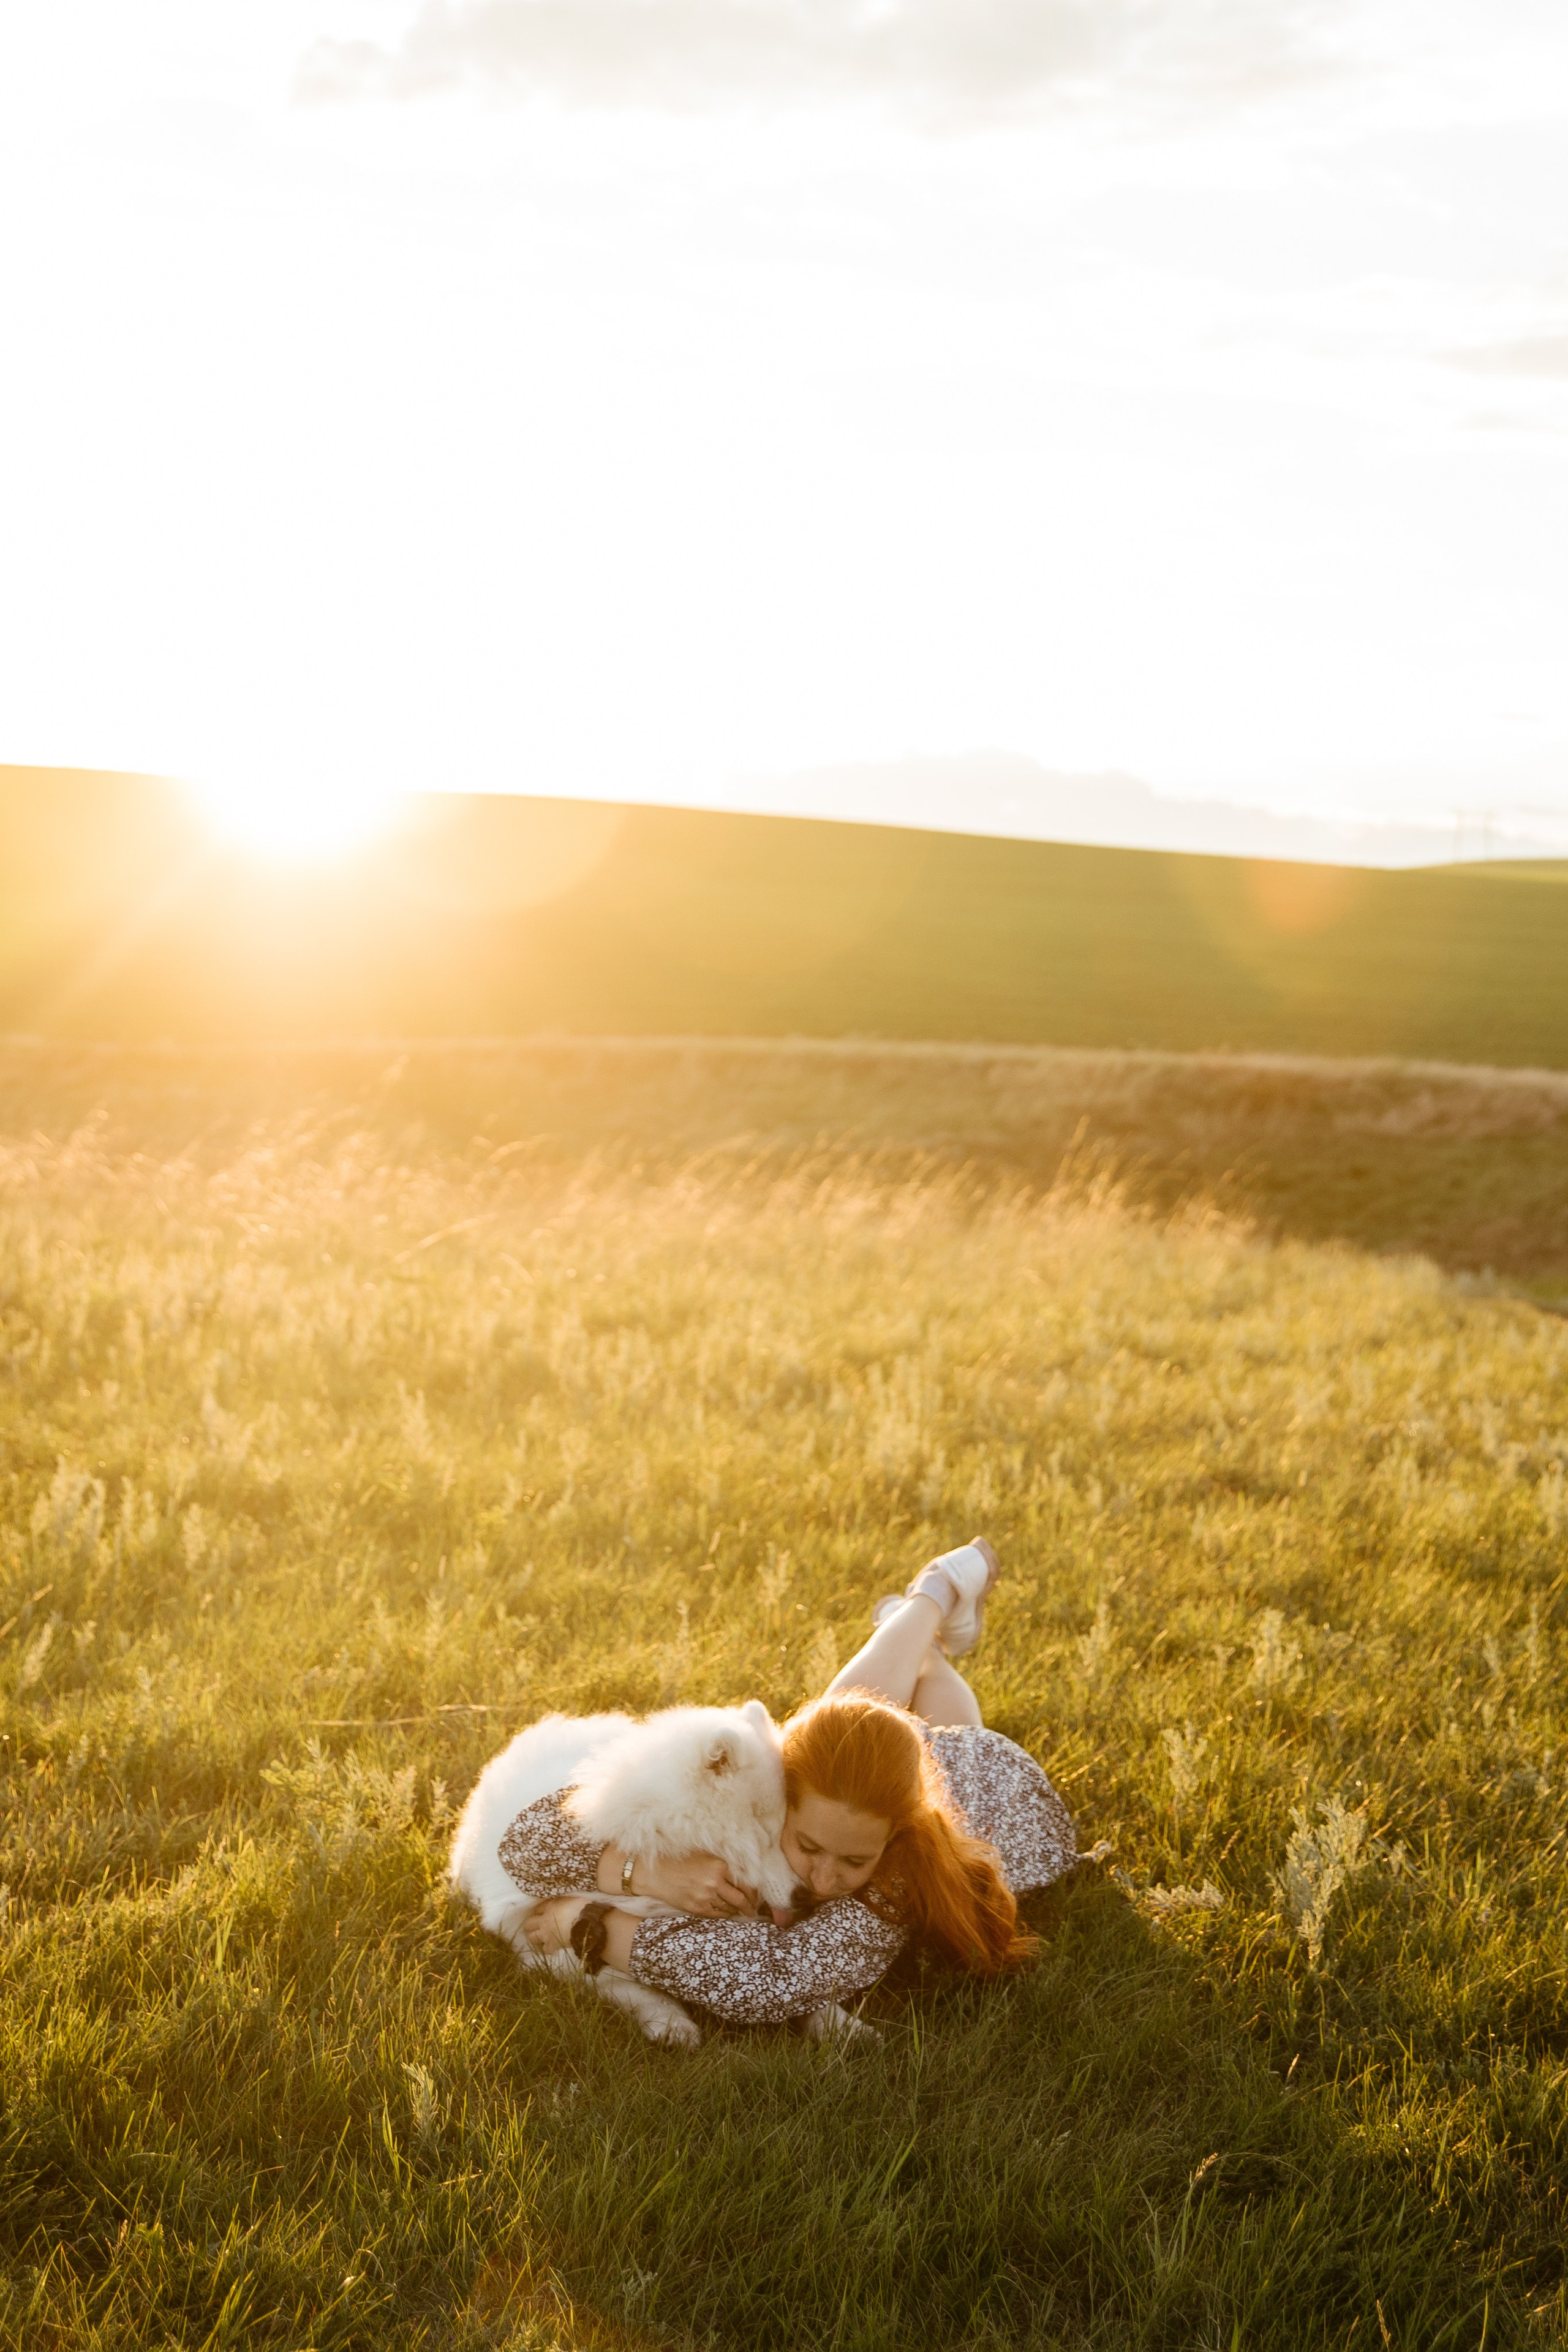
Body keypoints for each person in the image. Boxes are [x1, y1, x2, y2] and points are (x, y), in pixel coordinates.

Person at [497, 1539, 1077, 2026]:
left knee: (956, 1743)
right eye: (808, 1846)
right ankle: (932, 1605)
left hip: (995, 1783)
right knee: (841, 1723)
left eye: (853, 1861)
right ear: (786, 1799)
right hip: (875, 1771)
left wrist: (589, 1923)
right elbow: (524, 1843)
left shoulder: (893, 1878)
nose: (822, 1880)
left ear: (892, 1838)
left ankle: (931, 1607)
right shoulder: (787, 1785)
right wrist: (648, 1873)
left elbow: (773, 1982)